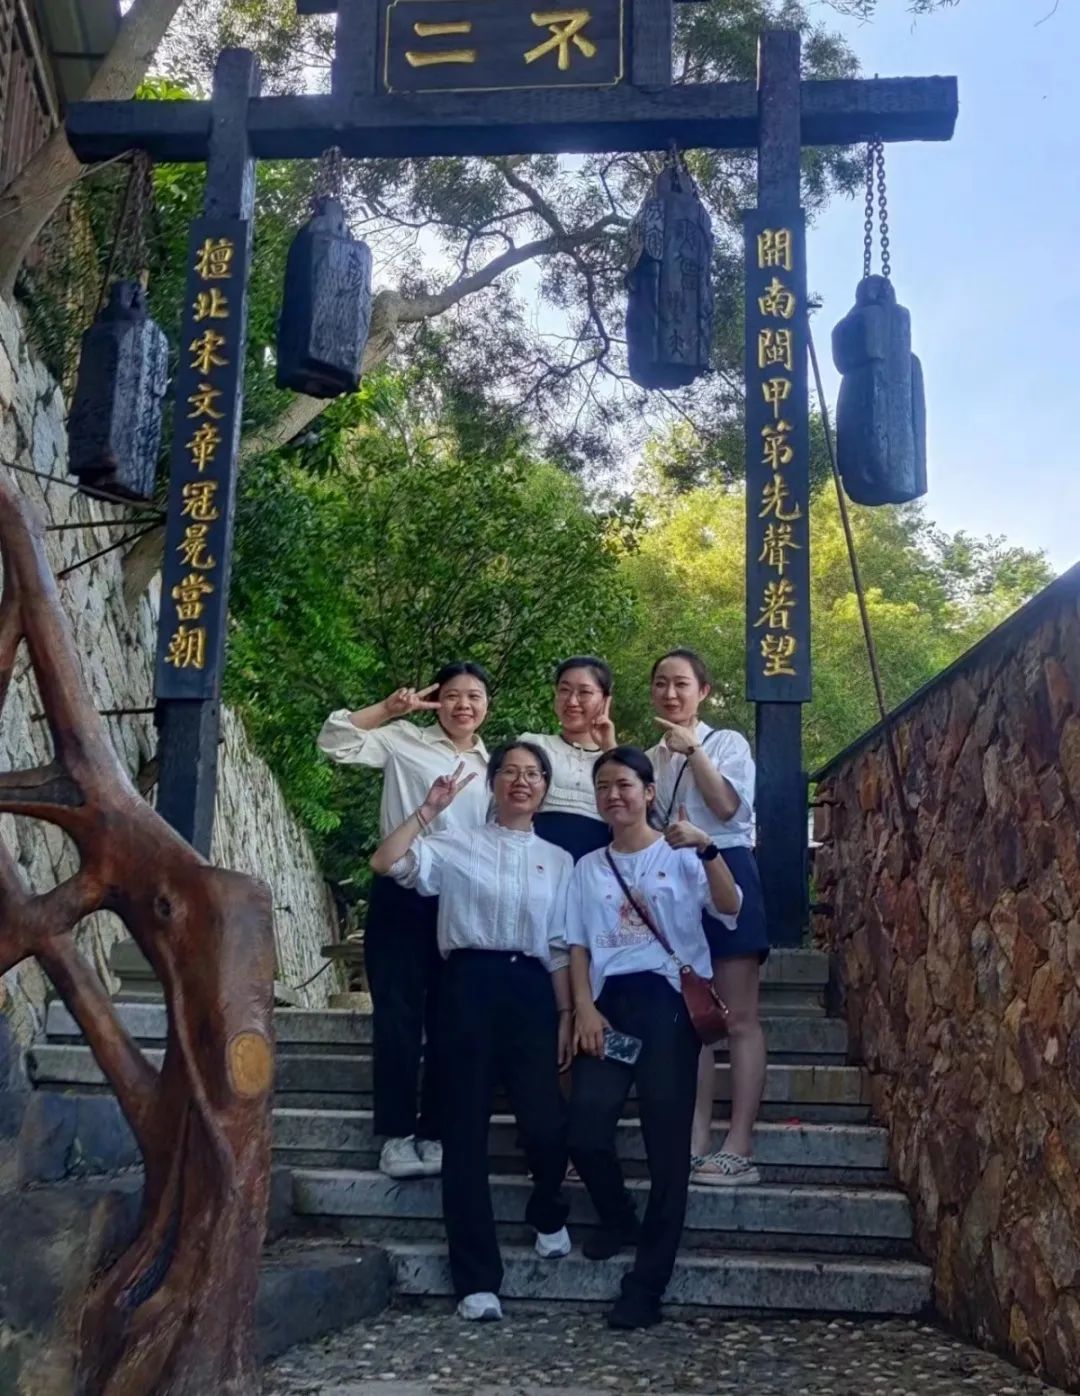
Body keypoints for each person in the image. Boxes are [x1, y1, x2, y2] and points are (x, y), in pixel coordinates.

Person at [370, 742, 574, 1322]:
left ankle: (548, 1208)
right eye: (510, 771)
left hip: (531, 988)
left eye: (533, 774)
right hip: (465, 984)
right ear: (492, 782)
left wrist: (566, 1013)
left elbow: (561, 947)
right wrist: (427, 811)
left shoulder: (559, 860)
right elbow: (385, 863)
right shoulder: (455, 843)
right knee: (463, 1133)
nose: (521, 781)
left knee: (545, 1121)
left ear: (545, 788)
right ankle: (476, 1280)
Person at [566, 746, 742, 1329]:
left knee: (667, 1149)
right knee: (585, 1128)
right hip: (610, 1008)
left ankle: (646, 1284)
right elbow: (577, 944)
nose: (613, 795)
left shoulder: (681, 851)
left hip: (667, 1006)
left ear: (647, 792)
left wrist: (708, 848)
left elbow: (730, 905)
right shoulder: (588, 867)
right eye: (603, 786)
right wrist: (583, 1009)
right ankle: (618, 1217)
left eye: (624, 784)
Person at [317, 663, 492, 1181]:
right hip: (401, 890)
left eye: (474, 696)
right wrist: (389, 710)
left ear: (487, 704)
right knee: (398, 1016)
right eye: (453, 695)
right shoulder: (403, 741)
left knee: (450, 1019)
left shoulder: (494, 765)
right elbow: (335, 741)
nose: (463, 705)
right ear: (436, 700)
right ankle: (396, 1135)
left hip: (461, 900)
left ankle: (435, 1131)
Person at [646, 648, 769, 1187]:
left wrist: (694, 750)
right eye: (661, 683)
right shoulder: (650, 757)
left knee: (738, 1017)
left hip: (726, 866)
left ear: (704, 691)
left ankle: (739, 1144)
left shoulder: (727, 744)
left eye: (681, 683)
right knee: (693, 1017)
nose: (670, 693)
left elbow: (725, 807)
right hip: (676, 880)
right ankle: (695, 1138)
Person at [520, 655, 617, 863]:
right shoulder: (532, 745)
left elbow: (632, 817)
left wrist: (609, 747)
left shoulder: (620, 758)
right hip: (532, 865)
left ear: (605, 700)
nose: (572, 701)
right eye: (564, 690)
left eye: (584, 692)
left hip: (595, 869)